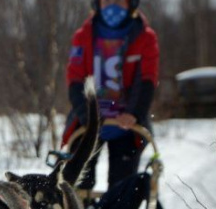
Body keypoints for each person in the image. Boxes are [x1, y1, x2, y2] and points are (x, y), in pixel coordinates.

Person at [60, 0, 159, 192]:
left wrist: (134, 114)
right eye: (107, 0)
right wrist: (87, 116)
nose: (113, 5)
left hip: (128, 124)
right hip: (88, 122)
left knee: (122, 188)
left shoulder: (145, 37)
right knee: (78, 184)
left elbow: (147, 80)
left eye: (119, 1)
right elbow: (75, 79)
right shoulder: (83, 36)